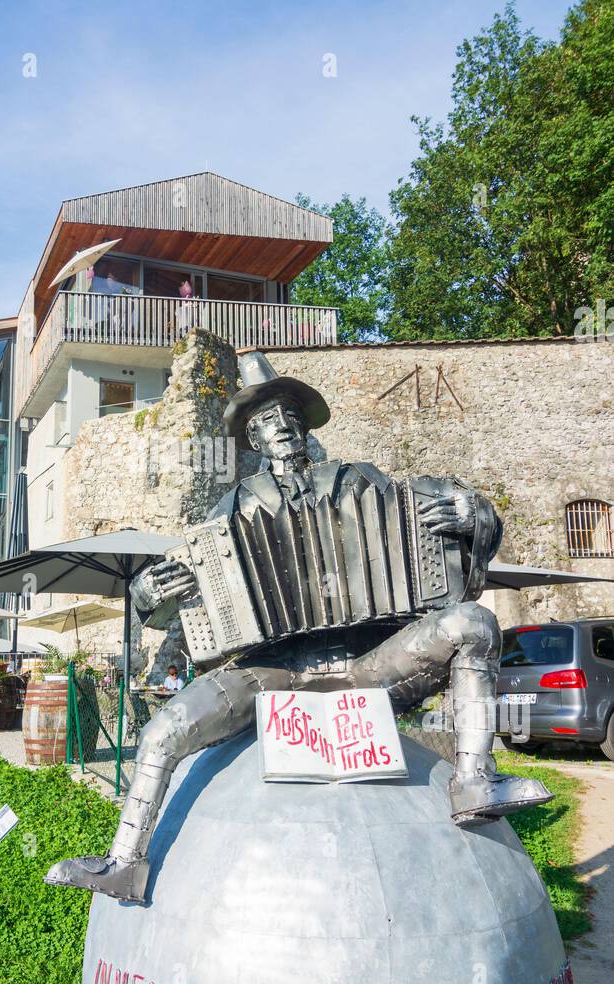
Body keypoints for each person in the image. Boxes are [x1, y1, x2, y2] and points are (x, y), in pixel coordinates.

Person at [45, 350, 552, 903]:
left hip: (371, 663)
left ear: (305, 427)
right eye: (266, 421)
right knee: (163, 730)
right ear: (254, 440)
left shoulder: (361, 481)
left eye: (289, 415)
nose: (281, 426)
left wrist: (474, 515)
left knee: (474, 623)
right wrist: (148, 592)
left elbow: (461, 527)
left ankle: (474, 780)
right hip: (273, 672)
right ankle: (124, 862)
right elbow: (174, 606)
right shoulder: (232, 510)